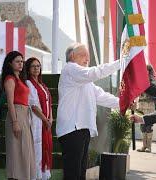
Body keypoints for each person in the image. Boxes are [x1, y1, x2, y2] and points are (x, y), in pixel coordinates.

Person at [56, 43, 121, 180]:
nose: (87, 59)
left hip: (81, 129)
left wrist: (124, 103)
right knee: (73, 174)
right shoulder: (71, 69)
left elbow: (102, 97)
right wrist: (121, 62)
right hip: (72, 130)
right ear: (72, 56)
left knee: (80, 174)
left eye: (88, 56)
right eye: (83, 55)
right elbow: (95, 72)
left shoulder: (84, 79)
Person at [1, 51, 35, 180]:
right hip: (17, 114)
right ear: (10, 63)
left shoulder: (21, 79)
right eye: (17, 61)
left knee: (25, 150)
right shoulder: (10, 79)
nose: (21, 64)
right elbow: (10, 102)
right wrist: (15, 122)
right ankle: (15, 177)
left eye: (22, 61)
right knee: (16, 151)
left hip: (24, 115)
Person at [25, 57, 53, 180]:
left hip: (46, 121)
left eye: (38, 66)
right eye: (33, 66)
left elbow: (49, 103)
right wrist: (45, 119)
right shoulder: (28, 83)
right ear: (28, 69)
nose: (36, 68)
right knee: (37, 149)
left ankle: (44, 174)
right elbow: (34, 106)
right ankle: (36, 176)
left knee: (46, 148)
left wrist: (50, 118)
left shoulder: (42, 84)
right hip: (37, 121)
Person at [136, 65, 156, 153]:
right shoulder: (140, 79)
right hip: (141, 104)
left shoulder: (152, 80)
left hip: (149, 105)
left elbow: (154, 89)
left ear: (149, 71)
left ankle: (149, 147)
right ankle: (144, 146)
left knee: (149, 125)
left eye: (146, 70)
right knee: (142, 126)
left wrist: (147, 81)